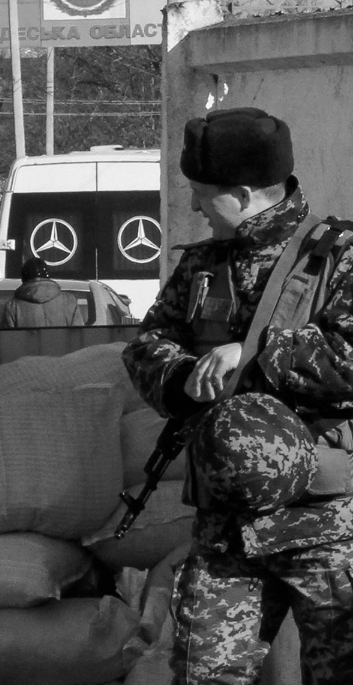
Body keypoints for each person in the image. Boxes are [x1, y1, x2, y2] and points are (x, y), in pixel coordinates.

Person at [122, 108, 353, 684]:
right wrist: (181, 375)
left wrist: (253, 355)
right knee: (205, 674)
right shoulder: (202, 265)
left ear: (245, 193)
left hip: (326, 526)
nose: (196, 207)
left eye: (203, 194)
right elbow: (146, 345)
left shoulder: (340, 257)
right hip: (224, 530)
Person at [0, 258, 84, 328]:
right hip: (65, 349)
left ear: (23, 278)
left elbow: (8, 340)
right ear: (48, 275)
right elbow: (78, 335)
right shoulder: (69, 301)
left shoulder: (13, 306)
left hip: (27, 349)